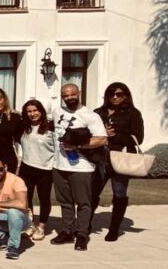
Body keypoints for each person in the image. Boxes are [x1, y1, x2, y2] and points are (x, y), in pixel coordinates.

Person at [50, 83, 107, 251]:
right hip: (59, 164)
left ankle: (82, 234)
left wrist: (78, 146)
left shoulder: (90, 115)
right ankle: (67, 231)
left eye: (72, 94)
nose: (69, 98)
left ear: (79, 93)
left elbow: (102, 139)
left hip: (82, 166)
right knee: (65, 202)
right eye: (65, 95)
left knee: (83, 203)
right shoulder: (57, 111)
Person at [91, 81, 144, 242]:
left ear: (126, 96)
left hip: (121, 158)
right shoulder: (98, 112)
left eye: (119, 94)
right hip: (100, 158)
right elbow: (87, 132)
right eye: (111, 94)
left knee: (119, 193)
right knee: (92, 192)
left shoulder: (132, 113)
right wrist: (102, 133)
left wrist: (112, 137)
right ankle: (85, 224)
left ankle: (114, 229)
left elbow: (138, 138)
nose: (115, 97)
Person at [18, 99, 55, 241]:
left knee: (44, 199)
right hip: (26, 167)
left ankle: (41, 227)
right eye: (29, 111)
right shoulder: (23, 127)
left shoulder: (51, 127)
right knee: (26, 198)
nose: (32, 114)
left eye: (35, 110)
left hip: (45, 169)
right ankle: (30, 224)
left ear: (41, 111)